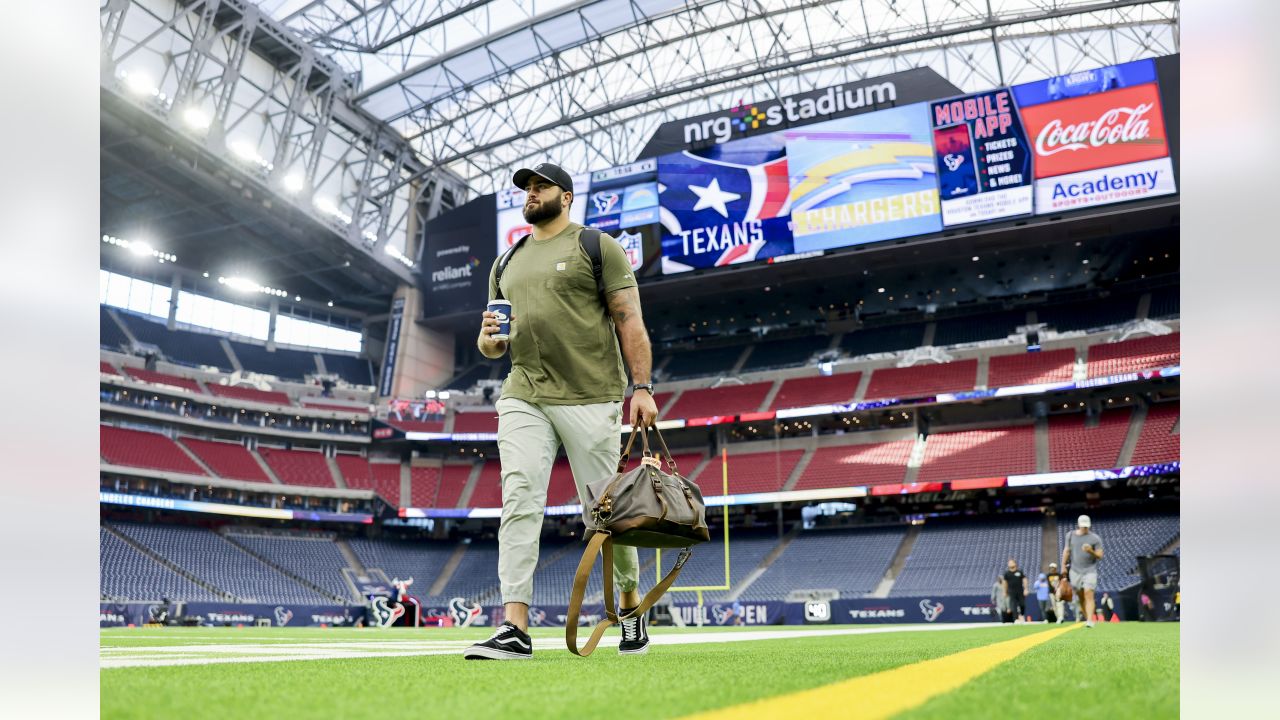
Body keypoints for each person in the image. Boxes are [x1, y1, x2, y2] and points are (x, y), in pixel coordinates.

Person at [464, 163, 658, 661]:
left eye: (540, 186)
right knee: (520, 498)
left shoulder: (597, 246)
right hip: (524, 393)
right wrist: (488, 339)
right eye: (526, 189)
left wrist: (642, 387)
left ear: (566, 197)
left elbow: (628, 319)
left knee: (605, 514)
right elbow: (491, 346)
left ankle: (631, 611)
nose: (531, 194)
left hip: (591, 395)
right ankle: (514, 627)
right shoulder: (505, 262)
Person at [1062, 514, 1105, 628]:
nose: (1085, 528)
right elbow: (1066, 551)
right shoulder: (1070, 535)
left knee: (1088, 593)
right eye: (1083, 526)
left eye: (1086, 526)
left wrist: (1091, 551)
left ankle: (1090, 620)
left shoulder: (1095, 538)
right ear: (1079, 525)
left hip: (1090, 570)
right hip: (1075, 571)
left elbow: (1100, 555)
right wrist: (1063, 566)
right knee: (1080, 596)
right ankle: (1087, 618)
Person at [1002, 558, 1029, 624]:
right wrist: (1004, 591)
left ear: (1015, 563)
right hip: (1011, 592)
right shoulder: (1006, 573)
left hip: (1020, 591)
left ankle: (1022, 614)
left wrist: (1026, 589)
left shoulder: (1019, 572)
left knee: (1022, 604)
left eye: (1012, 562)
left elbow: (1024, 580)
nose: (1010, 564)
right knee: (1013, 606)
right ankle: (1016, 619)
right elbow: (1005, 583)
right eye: (1009, 563)